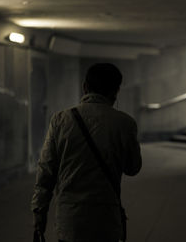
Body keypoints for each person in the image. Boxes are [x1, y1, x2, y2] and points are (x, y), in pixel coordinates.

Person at [31, 63, 142, 242]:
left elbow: (46, 170)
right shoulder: (125, 123)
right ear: (116, 91)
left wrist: (39, 211)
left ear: (85, 87)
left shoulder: (60, 120)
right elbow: (133, 167)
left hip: (70, 220)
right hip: (106, 220)